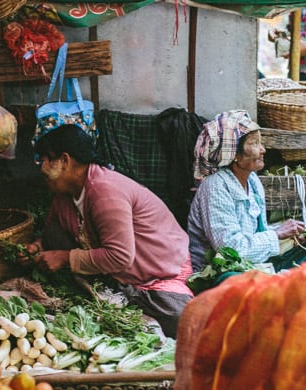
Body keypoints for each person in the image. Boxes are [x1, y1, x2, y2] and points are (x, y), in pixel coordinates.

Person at [19, 125, 192, 337]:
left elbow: (120, 256)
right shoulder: (64, 196)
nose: (42, 167)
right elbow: (51, 235)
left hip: (156, 269)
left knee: (180, 319)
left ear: (65, 160)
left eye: (46, 159)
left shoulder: (105, 190)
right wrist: (37, 247)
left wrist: (65, 258)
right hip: (114, 270)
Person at [186, 110, 306, 276]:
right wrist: (277, 234)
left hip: (258, 264)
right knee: (235, 279)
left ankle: (286, 289)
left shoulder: (253, 181)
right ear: (234, 154)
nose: (263, 149)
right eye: (255, 143)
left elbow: (258, 234)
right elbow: (230, 250)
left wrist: (289, 237)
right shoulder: (215, 186)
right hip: (224, 270)